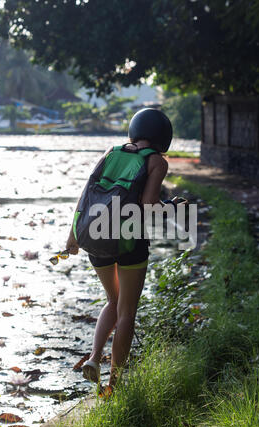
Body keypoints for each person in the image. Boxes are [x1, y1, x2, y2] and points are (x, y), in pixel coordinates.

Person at [66, 108, 178, 395]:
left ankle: (93, 358)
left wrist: (73, 235)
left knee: (112, 301)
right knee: (127, 311)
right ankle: (113, 386)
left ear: (134, 130)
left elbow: (86, 192)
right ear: (163, 137)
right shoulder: (156, 162)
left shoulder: (111, 151)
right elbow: (149, 204)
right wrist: (174, 207)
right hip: (129, 240)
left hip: (93, 235)